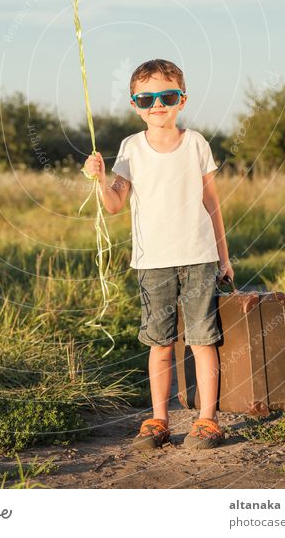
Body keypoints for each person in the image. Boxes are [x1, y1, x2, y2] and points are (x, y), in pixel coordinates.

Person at [84, 58, 234, 451]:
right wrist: (101, 179)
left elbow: (212, 201)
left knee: (203, 340)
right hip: (152, 262)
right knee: (160, 343)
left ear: (181, 100)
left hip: (199, 256)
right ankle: (159, 421)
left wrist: (224, 256)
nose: (157, 104)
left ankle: (206, 421)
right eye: (146, 98)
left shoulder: (196, 142)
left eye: (167, 96)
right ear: (135, 104)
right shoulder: (130, 148)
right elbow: (115, 203)